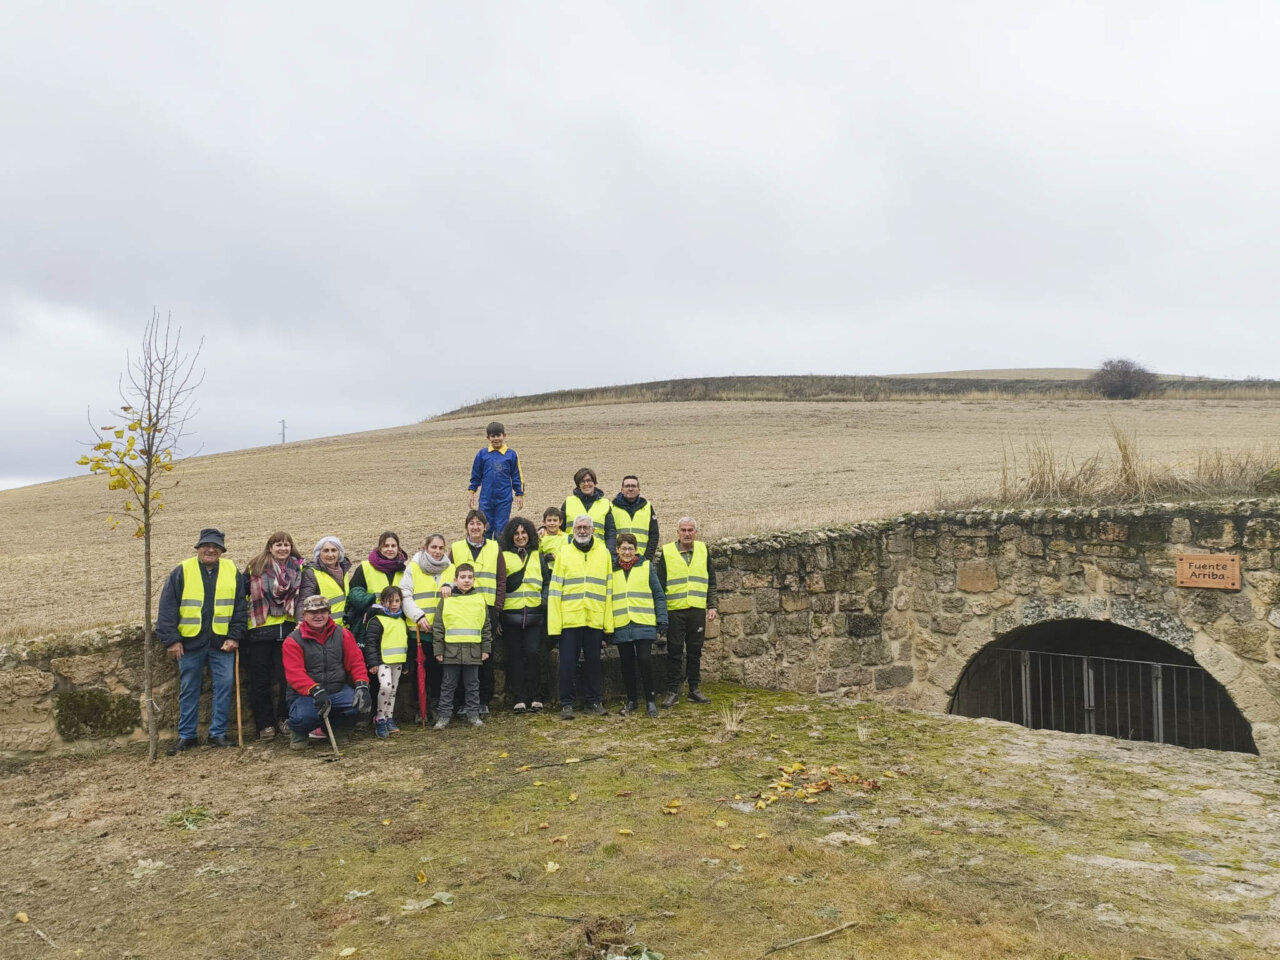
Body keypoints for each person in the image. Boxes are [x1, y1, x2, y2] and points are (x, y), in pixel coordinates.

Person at [156, 528, 248, 754]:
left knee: (224, 686)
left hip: (222, 643)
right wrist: (172, 640)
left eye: (216, 547)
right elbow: (167, 607)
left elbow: (240, 607)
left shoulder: (231, 570)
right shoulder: (182, 571)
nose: (211, 550)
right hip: (189, 643)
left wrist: (235, 636)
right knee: (188, 688)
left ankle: (217, 734)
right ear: (198, 548)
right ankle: (187, 736)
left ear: (222, 551)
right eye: (206, 545)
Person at [283, 594, 372, 749]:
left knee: (358, 703)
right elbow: (294, 674)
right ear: (304, 615)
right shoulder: (293, 640)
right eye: (313, 612)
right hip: (305, 695)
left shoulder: (343, 634)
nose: (319, 616)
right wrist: (315, 690)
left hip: (337, 690)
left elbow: (356, 662)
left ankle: (337, 729)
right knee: (303, 717)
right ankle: (299, 732)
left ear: (329, 613)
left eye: (323, 611)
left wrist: (362, 685)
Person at [547, 514, 614, 720]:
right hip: (570, 619)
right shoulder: (564, 553)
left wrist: (607, 625)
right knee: (567, 664)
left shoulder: (603, 553)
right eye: (579, 527)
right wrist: (554, 626)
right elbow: (555, 591)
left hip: (594, 618)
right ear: (572, 530)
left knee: (594, 663)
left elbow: (608, 589)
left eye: (586, 527)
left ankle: (593, 701)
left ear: (593, 530)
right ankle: (567, 704)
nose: (582, 531)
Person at [241, 531, 304, 742]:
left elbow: (303, 597)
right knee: (260, 681)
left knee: (287, 679)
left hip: (287, 630)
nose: (283, 548)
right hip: (259, 630)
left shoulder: (299, 568)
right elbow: (241, 595)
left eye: (286, 544)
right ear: (270, 547)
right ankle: (265, 724)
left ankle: (284, 719)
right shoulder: (255, 567)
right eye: (278, 544)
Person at [657, 517, 718, 707]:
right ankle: (673, 690)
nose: (687, 533)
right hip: (674, 610)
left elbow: (712, 580)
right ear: (677, 532)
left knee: (695, 651)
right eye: (683, 530)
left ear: (696, 532)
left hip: (697, 609)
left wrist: (712, 605)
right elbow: (660, 584)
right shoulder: (667, 552)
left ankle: (694, 689)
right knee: (674, 652)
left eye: (690, 530)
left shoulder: (703, 550)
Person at [449, 510, 506, 714]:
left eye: (479, 523)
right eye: (471, 523)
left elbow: (501, 579)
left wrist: (497, 609)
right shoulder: (455, 548)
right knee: (463, 656)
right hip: (462, 610)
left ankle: (484, 700)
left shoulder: (494, 547)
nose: (475, 527)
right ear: (466, 527)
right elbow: (449, 578)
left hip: (487, 609)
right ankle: (463, 702)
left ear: (485, 527)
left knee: (485, 656)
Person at [609, 533, 668, 717]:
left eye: (630, 548)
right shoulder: (610, 570)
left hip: (643, 621)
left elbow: (658, 594)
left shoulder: (646, 567)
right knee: (626, 663)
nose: (627, 552)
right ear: (617, 550)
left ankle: (650, 701)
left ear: (636, 550)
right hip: (621, 623)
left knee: (644, 660)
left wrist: (662, 619)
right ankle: (631, 700)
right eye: (623, 548)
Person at [400, 533, 454, 723]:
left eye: (441, 548)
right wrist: (418, 616)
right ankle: (419, 708)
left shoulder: (450, 568)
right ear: (426, 548)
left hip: (440, 632)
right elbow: (404, 595)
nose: (437, 552)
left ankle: (436, 706)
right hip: (418, 631)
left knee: (437, 672)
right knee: (418, 674)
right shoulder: (413, 567)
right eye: (434, 547)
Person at [432, 563, 493, 729]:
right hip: (450, 651)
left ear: (474, 579)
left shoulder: (480, 599)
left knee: (473, 685)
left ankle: (473, 714)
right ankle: (444, 716)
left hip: (473, 651)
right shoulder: (446, 600)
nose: (466, 581)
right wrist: (438, 650)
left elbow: (486, 626)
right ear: (455, 580)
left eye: (470, 577)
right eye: (463, 577)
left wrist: (486, 648)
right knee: (448, 685)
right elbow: (438, 626)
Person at [499, 517, 545, 713]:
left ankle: (536, 696)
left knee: (534, 653)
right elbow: (499, 586)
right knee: (515, 656)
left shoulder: (538, 555)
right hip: (511, 615)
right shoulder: (503, 556)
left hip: (535, 614)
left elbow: (547, 581)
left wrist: (543, 602)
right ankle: (519, 697)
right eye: (516, 533)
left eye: (523, 533)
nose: (520, 537)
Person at [363, 586, 409, 738]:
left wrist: (406, 663)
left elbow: (405, 642)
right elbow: (371, 643)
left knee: (394, 691)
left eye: (397, 601)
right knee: (385, 687)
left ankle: (389, 717)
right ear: (383, 602)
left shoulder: (402, 620)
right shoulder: (377, 620)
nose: (394, 604)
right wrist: (372, 663)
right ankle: (380, 718)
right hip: (383, 662)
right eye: (390, 601)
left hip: (398, 661)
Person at [468, 421, 525, 539]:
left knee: (501, 530)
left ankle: (500, 554)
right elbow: (476, 475)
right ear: (488, 437)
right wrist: (471, 492)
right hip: (486, 498)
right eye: (493, 436)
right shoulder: (482, 454)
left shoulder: (511, 454)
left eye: (498, 435)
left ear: (504, 436)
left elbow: (517, 476)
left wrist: (519, 494)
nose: (496, 439)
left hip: (504, 499)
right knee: (485, 527)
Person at [346, 531, 408, 637]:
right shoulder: (365, 568)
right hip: (372, 625)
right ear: (379, 548)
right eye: (386, 546)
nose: (390, 549)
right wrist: (371, 603)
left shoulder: (404, 570)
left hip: (398, 624)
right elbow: (354, 593)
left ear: (398, 548)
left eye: (393, 546)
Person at [299, 536, 351, 625]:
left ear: (339, 553)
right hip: (323, 629)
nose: (330, 555)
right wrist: (301, 623)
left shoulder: (344, 571)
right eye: (326, 551)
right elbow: (303, 602)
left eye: (334, 550)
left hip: (343, 628)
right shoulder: (311, 573)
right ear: (319, 553)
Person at [561, 468, 615, 552]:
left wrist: (610, 552)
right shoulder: (568, 502)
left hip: (598, 553)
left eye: (589, 480)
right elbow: (558, 528)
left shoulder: (605, 504)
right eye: (582, 481)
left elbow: (610, 533)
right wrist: (543, 528)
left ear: (594, 482)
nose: (586, 484)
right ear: (578, 484)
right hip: (572, 552)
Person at [610, 475, 660, 561]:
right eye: (627, 486)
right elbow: (608, 534)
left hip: (641, 559)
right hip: (619, 559)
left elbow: (654, 534)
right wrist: (613, 556)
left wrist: (647, 557)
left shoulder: (647, 507)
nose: (630, 489)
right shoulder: (611, 507)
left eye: (633, 486)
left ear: (639, 490)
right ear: (622, 490)